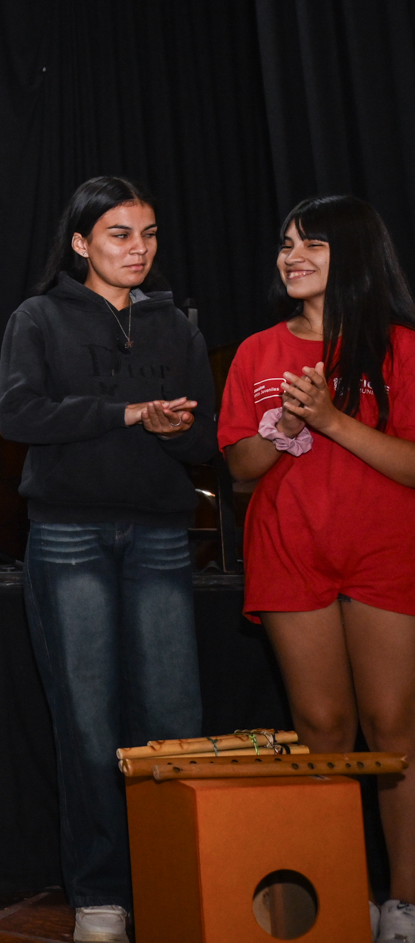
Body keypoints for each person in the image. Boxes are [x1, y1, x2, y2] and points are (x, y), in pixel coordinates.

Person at [0, 176, 214, 942]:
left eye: (148, 234)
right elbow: (18, 413)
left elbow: (207, 439)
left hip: (160, 536)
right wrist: (127, 413)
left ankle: (175, 881)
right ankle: (101, 894)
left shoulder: (175, 326)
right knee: (88, 724)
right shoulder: (39, 317)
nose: (138, 249)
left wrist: (173, 429)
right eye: (120, 234)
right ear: (81, 243)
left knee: (173, 719)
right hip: (68, 534)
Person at [220, 195, 415, 943]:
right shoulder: (257, 351)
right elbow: (241, 467)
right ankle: (341, 892)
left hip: (385, 551)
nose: (291, 257)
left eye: (312, 245)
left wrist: (333, 420)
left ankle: (404, 902)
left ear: (354, 254)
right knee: (323, 726)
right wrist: (287, 425)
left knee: (392, 727)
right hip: (290, 550)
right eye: (286, 244)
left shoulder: (399, 348)